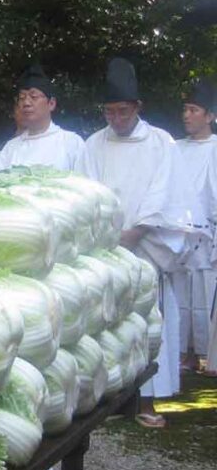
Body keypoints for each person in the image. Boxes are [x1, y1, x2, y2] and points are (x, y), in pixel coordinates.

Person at [77, 57, 188, 428]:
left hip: (144, 246)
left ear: (138, 107)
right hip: (105, 248)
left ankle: (148, 399)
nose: (116, 119)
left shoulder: (162, 143)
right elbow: (86, 190)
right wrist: (105, 235)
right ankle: (109, 398)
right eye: (109, 112)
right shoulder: (93, 144)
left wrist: (136, 231)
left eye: (122, 111)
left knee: (149, 323)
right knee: (108, 324)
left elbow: (163, 192)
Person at [171, 80, 217, 373]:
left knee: (205, 293)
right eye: (185, 109)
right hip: (179, 235)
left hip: (209, 235)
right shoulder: (174, 149)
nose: (186, 115)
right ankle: (183, 354)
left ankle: (206, 354)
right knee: (181, 296)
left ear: (210, 115)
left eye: (193, 110)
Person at [0, 65, 85, 171]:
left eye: (33, 97)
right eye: (22, 98)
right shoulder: (11, 148)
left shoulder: (71, 143)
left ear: (51, 103)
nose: (26, 103)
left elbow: (84, 184)